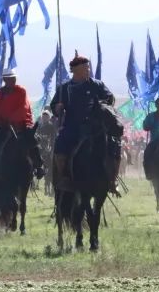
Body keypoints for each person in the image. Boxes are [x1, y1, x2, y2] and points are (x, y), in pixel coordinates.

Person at [50, 52, 117, 191]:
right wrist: (58, 107)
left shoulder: (97, 84)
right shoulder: (65, 88)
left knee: (114, 145)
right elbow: (54, 106)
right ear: (75, 70)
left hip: (95, 126)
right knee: (60, 144)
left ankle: (112, 179)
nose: (88, 70)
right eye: (85, 68)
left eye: (88, 67)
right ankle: (64, 176)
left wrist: (106, 102)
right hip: (73, 126)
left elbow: (110, 98)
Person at [0, 69, 44, 178]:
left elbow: (23, 108)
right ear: (5, 79)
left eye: (14, 78)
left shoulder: (21, 91)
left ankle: (39, 166)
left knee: (31, 140)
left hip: (21, 123)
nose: (13, 81)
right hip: (4, 126)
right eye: (10, 79)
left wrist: (12, 119)